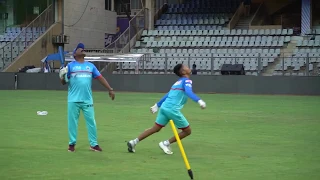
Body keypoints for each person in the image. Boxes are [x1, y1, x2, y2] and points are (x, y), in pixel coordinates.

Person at [126, 64, 206, 154]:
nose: (188, 67)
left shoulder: (177, 82)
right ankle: (166, 143)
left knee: (155, 128)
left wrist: (157, 105)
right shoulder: (187, 81)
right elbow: (188, 92)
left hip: (164, 108)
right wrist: (199, 100)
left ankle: (133, 142)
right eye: (186, 67)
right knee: (187, 131)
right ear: (183, 72)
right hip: (172, 109)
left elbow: (168, 94)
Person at [59, 43, 115, 152]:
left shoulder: (90, 66)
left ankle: (93, 144)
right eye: (79, 48)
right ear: (75, 54)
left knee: (91, 122)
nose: (82, 49)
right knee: (72, 123)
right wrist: (62, 76)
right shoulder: (70, 66)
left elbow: (100, 78)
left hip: (87, 99)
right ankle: (72, 144)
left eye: (83, 48)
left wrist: (110, 89)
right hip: (73, 99)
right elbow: (63, 82)